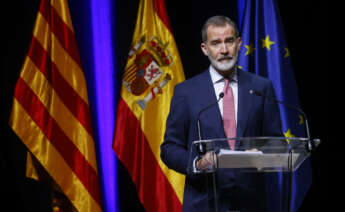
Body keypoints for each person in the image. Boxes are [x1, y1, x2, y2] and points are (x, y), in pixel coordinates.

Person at [160, 16, 282, 212]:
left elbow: (277, 142)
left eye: (229, 41)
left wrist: (260, 153)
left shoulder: (261, 87)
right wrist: (197, 163)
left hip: (251, 204)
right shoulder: (186, 92)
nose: (224, 50)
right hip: (204, 204)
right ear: (204, 48)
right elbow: (169, 148)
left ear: (239, 43)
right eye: (215, 43)